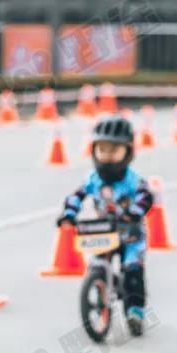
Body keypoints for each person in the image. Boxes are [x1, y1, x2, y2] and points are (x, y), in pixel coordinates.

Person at [57, 115, 154, 336]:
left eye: (114, 150)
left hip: (131, 234)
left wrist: (134, 212)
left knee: (133, 270)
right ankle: (100, 293)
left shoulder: (132, 180)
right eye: (103, 150)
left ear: (128, 152)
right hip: (104, 231)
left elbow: (145, 197)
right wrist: (68, 215)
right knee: (97, 266)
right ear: (94, 151)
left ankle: (135, 311)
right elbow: (76, 196)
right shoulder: (94, 180)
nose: (108, 157)